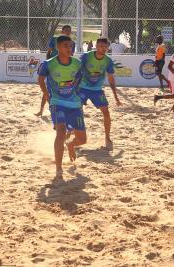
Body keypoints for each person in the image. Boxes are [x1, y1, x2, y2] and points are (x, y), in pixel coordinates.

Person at [38, 35, 86, 177]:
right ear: (58, 47)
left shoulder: (77, 64)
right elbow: (40, 79)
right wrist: (46, 95)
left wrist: (77, 93)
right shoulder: (49, 64)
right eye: (65, 46)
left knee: (82, 139)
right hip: (57, 103)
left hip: (74, 104)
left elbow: (79, 79)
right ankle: (59, 168)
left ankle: (71, 145)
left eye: (70, 46)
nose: (69, 48)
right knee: (60, 132)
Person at [78, 38, 122, 150]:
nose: (103, 49)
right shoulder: (86, 56)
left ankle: (107, 138)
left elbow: (111, 79)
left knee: (106, 112)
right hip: (82, 87)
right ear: (96, 46)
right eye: (101, 46)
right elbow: (77, 71)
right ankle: (74, 134)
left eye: (105, 47)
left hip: (97, 90)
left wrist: (116, 97)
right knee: (76, 112)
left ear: (108, 48)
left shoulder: (108, 61)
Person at [35, 25, 75, 117]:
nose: (68, 32)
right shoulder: (54, 39)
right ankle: (41, 110)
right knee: (48, 89)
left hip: (65, 68)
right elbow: (48, 52)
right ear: (62, 31)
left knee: (66, 89)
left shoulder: (72, 43)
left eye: (69, 30)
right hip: (54, 67)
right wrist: (48, 65)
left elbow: (71, 55)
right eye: (66, 30)